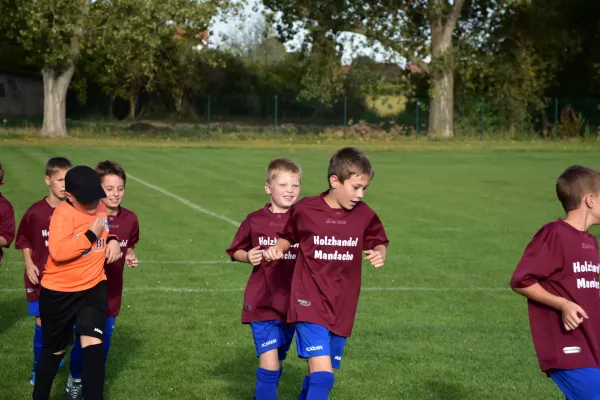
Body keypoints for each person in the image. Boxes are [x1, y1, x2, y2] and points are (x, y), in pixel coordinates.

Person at [264, 147, 389, 400]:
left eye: (365, 188)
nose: (360, 194)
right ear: (335, 181)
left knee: (315, 374)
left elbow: (378, 240)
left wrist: (379, 252)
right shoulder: (306, 209)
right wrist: (278, 247)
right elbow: (289, 236)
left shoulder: (364, 214)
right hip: (308, 300)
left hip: (342, 305)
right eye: (355, 187)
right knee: (323, 373)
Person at [510, 165, 600, 400]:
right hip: (569, 347)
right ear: (590, 200)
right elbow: (521, 280)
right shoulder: (555, 233)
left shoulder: (590, 242)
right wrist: (563, 304)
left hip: (591, 343)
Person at [32, 165, 121, 400]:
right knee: (54, 351)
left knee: (93, 347)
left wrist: (112, 239)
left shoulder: (99, 206)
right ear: (69, 196)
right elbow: (59, 252)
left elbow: (105, 230)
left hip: (93, 287)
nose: (94, 203)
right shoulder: (62, 215)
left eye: (96, 197)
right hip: (59, 292)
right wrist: (90, 235)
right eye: (87, 199)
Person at [226, 158, 302, 400]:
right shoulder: (255, 220)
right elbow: (235, 251)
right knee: (269, 366)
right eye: (283, 185)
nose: (290, 190)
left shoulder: (305, 219)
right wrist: (247, 256)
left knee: (277, 362)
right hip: (262, 302)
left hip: (295, 304)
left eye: (295, 185)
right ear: (268, 188)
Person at [66, 160, 140, 400]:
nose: (115, 194)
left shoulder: (130, 219)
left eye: (120, 188)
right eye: (109, 188)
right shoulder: (85, 216)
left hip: (112, 293)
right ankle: (75, 379)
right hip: (85, 291)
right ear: (98, 189)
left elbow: (131, 242)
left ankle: (91, 386)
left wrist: (129, 254)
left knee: (103, 345)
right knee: (84, 342)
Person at [15, 157, 72, 384]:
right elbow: (24, 240)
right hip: (40, 278)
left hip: (67, 279)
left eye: (68, 180)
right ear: (48, 180)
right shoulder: (36, 212)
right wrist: (29, 264)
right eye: (60, 180)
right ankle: (38, 369)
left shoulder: (74, 211)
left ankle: (57, 352)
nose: (64, 185)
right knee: (42, 321)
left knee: (68, 326)